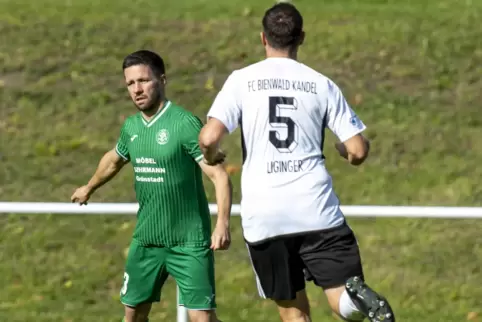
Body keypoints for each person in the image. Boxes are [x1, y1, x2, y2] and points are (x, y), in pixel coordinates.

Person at [198, 3, 395, 322]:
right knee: (342, 296)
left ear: (263, 38)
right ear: (301, 37)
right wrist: (343, 151)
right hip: (315, 209)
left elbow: (208, 138)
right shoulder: (321, 84)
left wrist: (211, 156)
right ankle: (358, 303)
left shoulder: (242, 80)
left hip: (265, 216)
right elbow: (357, 150)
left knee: (294, 313)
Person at [71, 50, 232, 322]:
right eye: (131, 84)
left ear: (162, 80)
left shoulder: (183, 124)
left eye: (143, 80)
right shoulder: (131, 127)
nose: (137, 89)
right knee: (132, 316)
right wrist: (89, 187)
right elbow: (114, 159)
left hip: (189, 242)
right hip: (147, 240)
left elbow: (219, 176)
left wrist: (222, 224)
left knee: (202, 319)